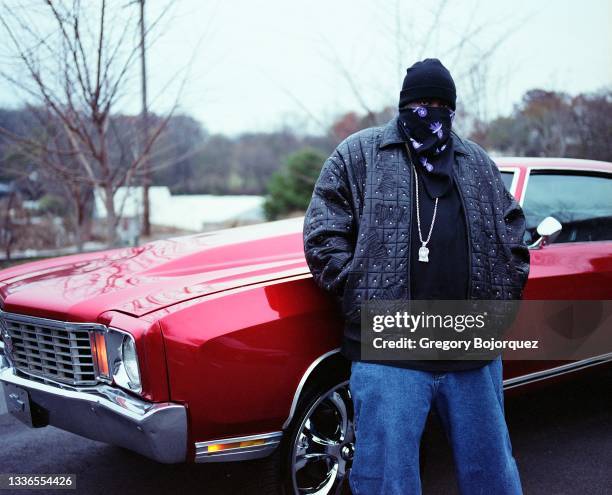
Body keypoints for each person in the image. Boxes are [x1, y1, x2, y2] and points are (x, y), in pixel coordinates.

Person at [302, 58, 530, 494]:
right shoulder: (360, 154)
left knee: (493, 476)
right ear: (404, 104)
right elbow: (323, 231)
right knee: (388, 480)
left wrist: (500, 303)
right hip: (391, 352)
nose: (430, 112)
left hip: (471, 352)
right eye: (421, 102)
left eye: (440, 104)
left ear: (453, 109)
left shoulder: (476, 161)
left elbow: (514, 232)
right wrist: (358, 292)